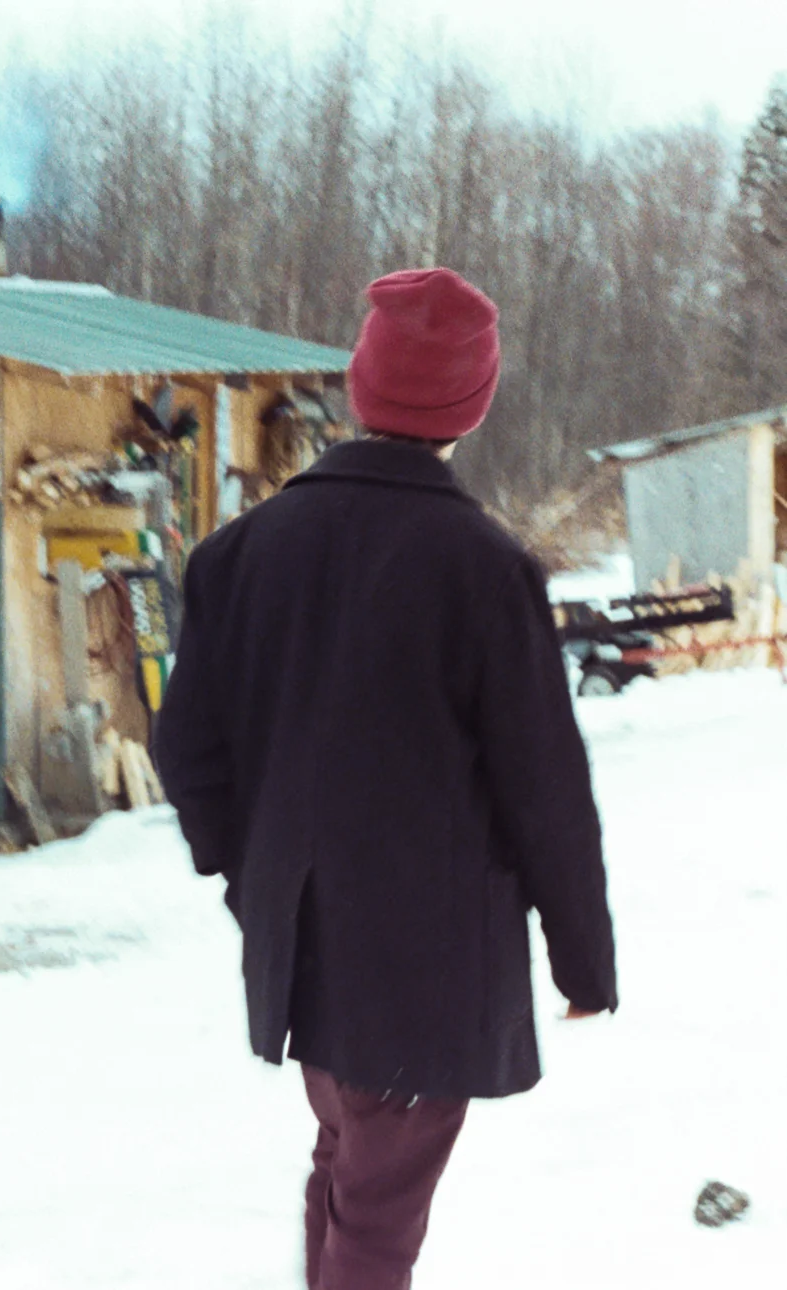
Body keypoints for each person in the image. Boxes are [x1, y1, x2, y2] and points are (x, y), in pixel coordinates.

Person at [153, 267, 618, 1290]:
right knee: (374, 1206)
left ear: (361, 386)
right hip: (421, 972)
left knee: (344, 1164)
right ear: (470, 404)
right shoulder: (485, 571)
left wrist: (252, 877)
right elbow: (545, 792)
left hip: (301, 951)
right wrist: (583, 965)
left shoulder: (239, 553)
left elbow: (184, 751)